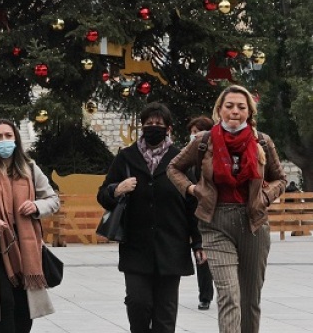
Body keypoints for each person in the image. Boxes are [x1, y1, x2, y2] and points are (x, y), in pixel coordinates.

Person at [168, 85, 286, 333]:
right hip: (215, 222)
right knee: (229, 296)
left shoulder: (262, 141)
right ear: (219, 110)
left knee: (249, 300)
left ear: (249, 112)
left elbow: (280, 178)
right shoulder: (203, 141)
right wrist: (191, 189)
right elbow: (173, 168)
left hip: (253, 223)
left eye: (241, 107)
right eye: (229, 106)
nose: (235, 111)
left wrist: (266, 196)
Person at [98, 103, 203, 333]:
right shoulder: (126, 157)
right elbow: (103, 195)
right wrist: (117, 189)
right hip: (136, 246)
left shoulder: (181, 159)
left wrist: (197, 242)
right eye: (148, 123)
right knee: (138, 304)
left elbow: (193, 203)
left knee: (165, 312)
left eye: (158, 124)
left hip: (171, 245)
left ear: (168, 128)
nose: (153, 127)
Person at [0, 119, 60, 333]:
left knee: (24, 309)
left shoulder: (29, 169)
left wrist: (36, 206)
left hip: (26, 250)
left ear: (16, 139)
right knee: (4, 305)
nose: (4, 141)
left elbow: (53, 200)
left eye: (8, 136)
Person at [187, 115, 217, 311]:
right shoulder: (188, 158)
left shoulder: (216, 156)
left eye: (197, 132)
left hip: (216, 215)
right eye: (192, 133)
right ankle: (205, 295)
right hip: (195, 216)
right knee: (201, 255)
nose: (194, 136)